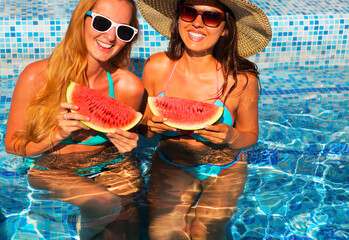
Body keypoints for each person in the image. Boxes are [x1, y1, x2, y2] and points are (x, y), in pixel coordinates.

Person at [5, 0, 144, 239]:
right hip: (48, 169)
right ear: (81, 20)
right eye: (102, 23)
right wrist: (56, 135)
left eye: (123, 30)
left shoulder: (128, 86)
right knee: (105, 202)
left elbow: (122, 141)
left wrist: (130, 146)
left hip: (108, 167)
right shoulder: (36, 77)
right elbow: (13, 145)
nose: (110, 37)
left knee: (128, 225)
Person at [137, 0, 272, 239]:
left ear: (225, 28)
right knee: (163, 233)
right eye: (189, 12)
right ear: (179, 19)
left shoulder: (241, 79)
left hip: (225, 168)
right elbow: (144, 130)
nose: (197, 23)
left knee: (205, 231)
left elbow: (250, 134)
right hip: (171, 163)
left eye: (211, 17)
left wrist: (232, 135)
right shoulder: (157, 67)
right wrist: (148, 125)